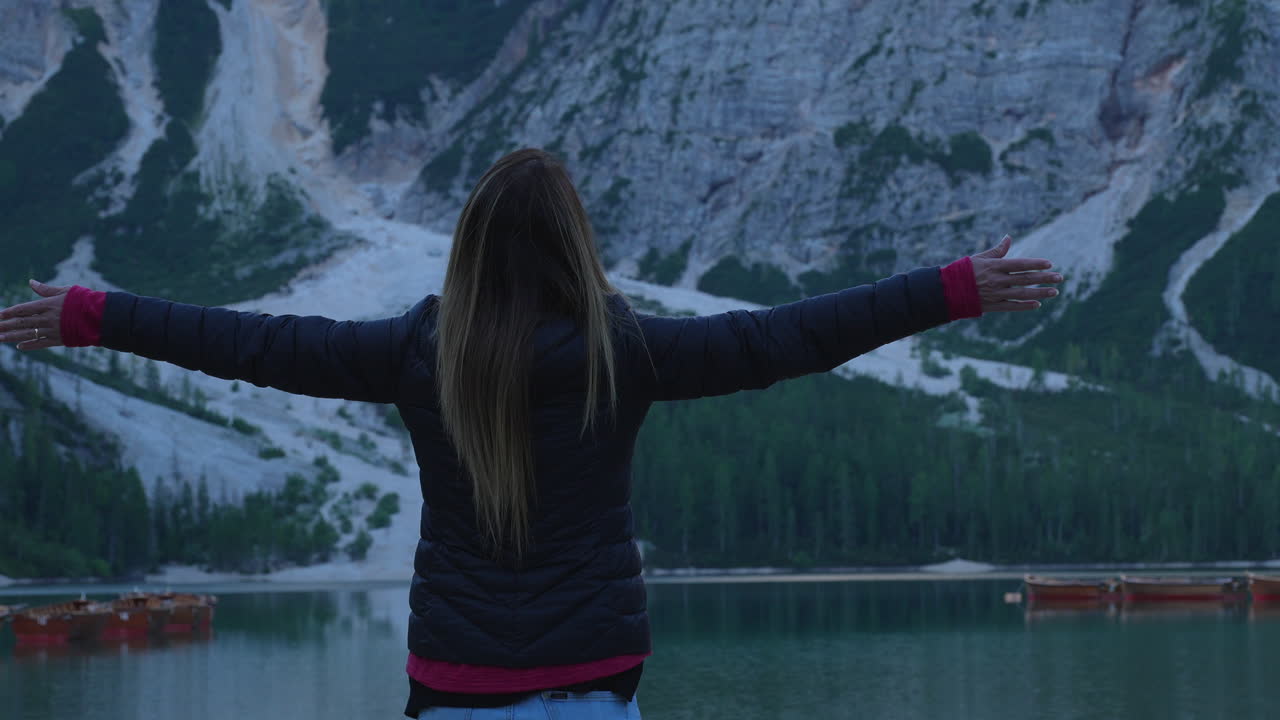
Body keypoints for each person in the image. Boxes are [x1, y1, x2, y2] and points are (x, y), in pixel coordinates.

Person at [0, 148, 1061, 718]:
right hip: (591, 683)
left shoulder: (417, 352)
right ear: (572, 245)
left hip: (453, 681)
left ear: (467, 250)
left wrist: (98, 314)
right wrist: (950, 287)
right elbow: (786, 337)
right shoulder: (625, 352)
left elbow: (254, 344)